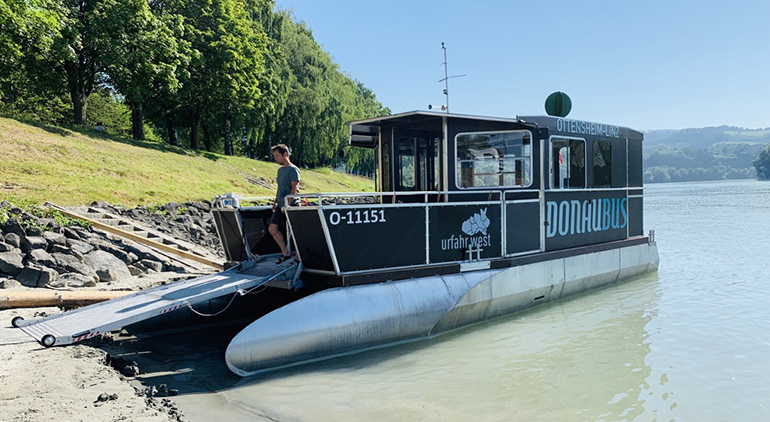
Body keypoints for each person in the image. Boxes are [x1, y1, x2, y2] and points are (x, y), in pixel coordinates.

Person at [269, 144, 300, 263]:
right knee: (272, 229)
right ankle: (285, 252)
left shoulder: (293, 169)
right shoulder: (280, 170)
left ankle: (298, 257)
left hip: (292, 205)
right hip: (280, 205)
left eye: (277, 156)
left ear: (285, 154)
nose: (275, 158)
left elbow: (295, 188)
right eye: (274, 156)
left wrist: (288, 204)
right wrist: (275, 203)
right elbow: (280, 188)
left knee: (296, 232)